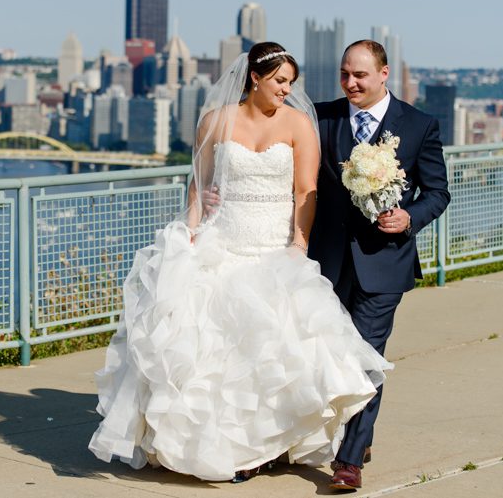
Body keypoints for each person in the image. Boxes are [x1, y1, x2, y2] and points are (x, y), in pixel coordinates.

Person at [88, 42, 392, 483]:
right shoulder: (215, 120)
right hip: (222, 241)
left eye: (291, 83)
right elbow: (200, 186)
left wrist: (299, 243)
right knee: (219, 355)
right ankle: (228, 449)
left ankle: (265, 446)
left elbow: (307, 191)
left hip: (273, 247)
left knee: (269, 352)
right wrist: (191, 232)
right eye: (279, 82)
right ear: (255, 78)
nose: (287, 90)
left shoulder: (298, 124)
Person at [309, 40, 451, 491]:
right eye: (344, 75)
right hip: (324, 263)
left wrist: (409, 217)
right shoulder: (320, 116)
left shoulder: (419, 125)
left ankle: (349, 462)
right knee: (320, 357)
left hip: (383, 265)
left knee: (366, 359)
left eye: (361, 75)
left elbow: (437, 192)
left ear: (384, 73)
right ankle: (324, 437)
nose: (350, 83)